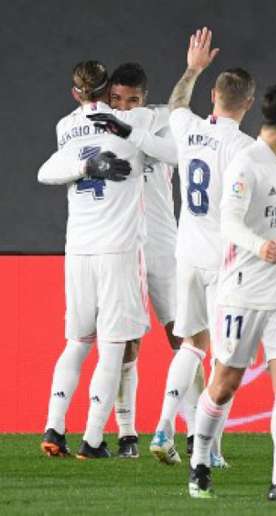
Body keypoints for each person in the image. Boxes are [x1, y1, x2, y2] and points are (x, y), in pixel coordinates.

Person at [186, 83, 276, 502]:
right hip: (243, 291)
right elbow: (228, 221)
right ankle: (200, 463)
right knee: (225, 381)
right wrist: (259, 246)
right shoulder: (248, 163)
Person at [37, 60, 157, 459]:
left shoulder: (64, 127)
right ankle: (92, 440)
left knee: (76, 342)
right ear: (109, 91)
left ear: (75, 93)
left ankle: (54, 425)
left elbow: (46, 172)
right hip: (118, 249)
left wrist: (85, 165)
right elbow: (175, 152)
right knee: (112, 348)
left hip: (78, 250)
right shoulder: (133, 124)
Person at [149, 27, 256, 467]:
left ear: (213, 93)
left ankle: (162, 427)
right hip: (224, 260)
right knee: (225, 358)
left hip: (186, 254)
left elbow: (176, 103)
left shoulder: (189, 127)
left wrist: (191, 69)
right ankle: (208, 449)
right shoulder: (246, 149)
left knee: (190, 345)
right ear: (247, 103)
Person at [92, 62, 199, 459]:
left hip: (163, 245)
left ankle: (193, 432)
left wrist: (190, 72)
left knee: (184, 337)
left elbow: (181, 154)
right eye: (115, 100)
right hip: (121, 245)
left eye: (131, 100)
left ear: (145, 98)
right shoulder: (96, 125)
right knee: (126, 343)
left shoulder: (162, 121)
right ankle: (127, 434)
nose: (122, 107)